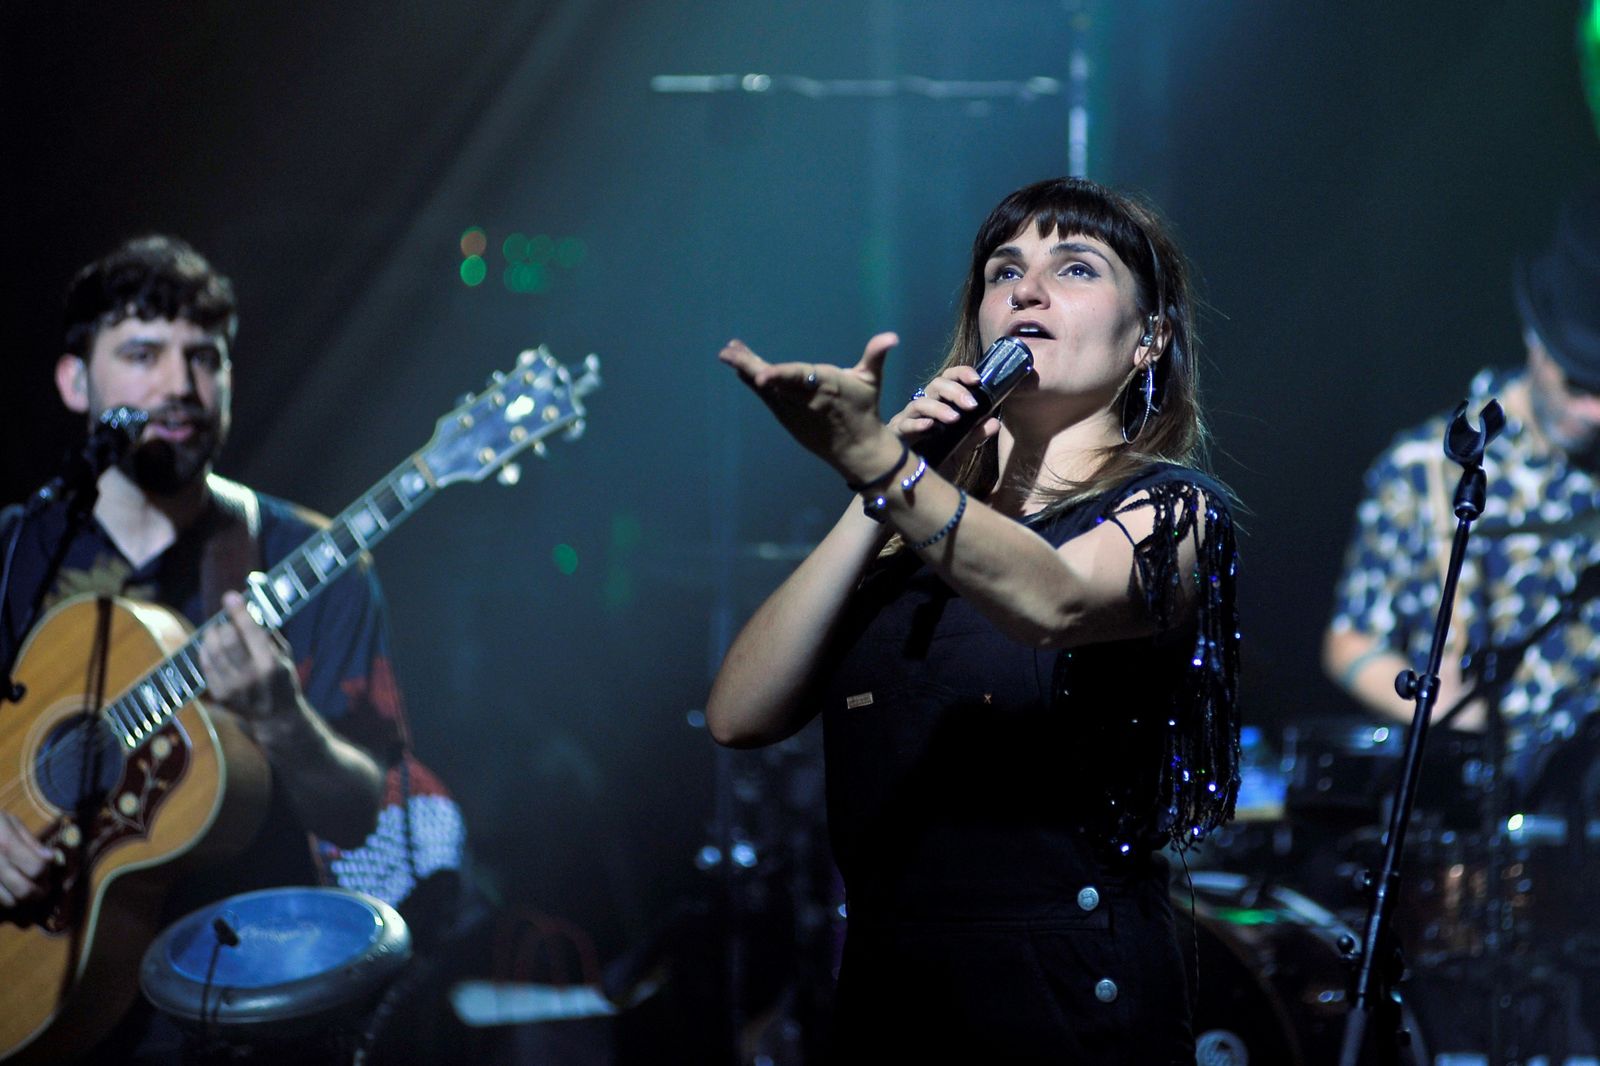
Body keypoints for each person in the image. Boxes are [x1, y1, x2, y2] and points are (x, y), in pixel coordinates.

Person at [708, 177, 1241, 1063]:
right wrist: (882, 487)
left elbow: (1054, 599)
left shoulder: (1175, 514)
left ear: (1148, 339)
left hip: (1070, 1005)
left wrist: (888, 471)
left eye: (1075, 267)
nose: (1027, 291)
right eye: (1004, 272)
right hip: (891, 1001)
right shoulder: (908, 518)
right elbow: (739, 713)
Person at [0, 236, 465, 1060]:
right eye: (143, 355)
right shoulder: (13, 556)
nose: (180, 386)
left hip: (248, 1005)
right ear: (77, 382)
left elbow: (356, 814)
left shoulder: (309, 559)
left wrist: (282, 720)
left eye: (204, 359)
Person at [1323, 190, 1600, 1057]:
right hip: (1485, 825)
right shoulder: (1425, 472)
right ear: (1535, 344)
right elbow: (1350, 640)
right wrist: (1466, 725)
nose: (1599, 411)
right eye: (1581, 384)